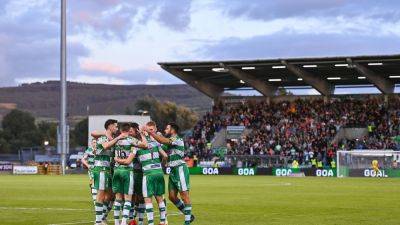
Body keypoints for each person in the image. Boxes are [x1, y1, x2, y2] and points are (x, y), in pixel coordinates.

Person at [147, 122, 194, 225]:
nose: (165, 130)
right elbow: (161, 148)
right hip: (173, 171)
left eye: (167, 128)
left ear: (173, 130)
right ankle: (189, 215)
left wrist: (150, 133)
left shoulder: (176, 139)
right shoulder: (169, 142)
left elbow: (163, 140)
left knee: (184, 196)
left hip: (180, 169)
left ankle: (187, 222)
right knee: (172, 197)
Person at [92, 119, 127, 225]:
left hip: (108, 170)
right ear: (110, 126)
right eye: (115, 126)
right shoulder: (103, 138)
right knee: (101, 194)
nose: (117, 128)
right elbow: (105, 146)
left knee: (111, 195)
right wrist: (118, 138)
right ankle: (98, 221)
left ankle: (102, 217)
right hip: (100, 169)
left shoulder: (112, 139)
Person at [112, 123, 147, 225]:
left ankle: (116, 222)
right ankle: (123, 222)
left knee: (118, 198)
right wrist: (142, 135)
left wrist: (117, 160)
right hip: (127, 171)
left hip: (116, 170)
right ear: (128, 130)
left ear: (121, 130)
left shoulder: (117, 140)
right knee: (128, 199)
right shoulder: (131, 140)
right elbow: (145, 144)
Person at [82, 139, 97, 207]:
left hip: (99, 169)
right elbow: (83, 159)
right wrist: (88, 165)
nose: (95, 143)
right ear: (91, 143)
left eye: (96, 142)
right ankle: (95, 201)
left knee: (96, 184)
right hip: (92, 169)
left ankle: (97, 198)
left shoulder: (99, 149)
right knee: (93, 182)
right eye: (93, 142)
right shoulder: (89, 150)